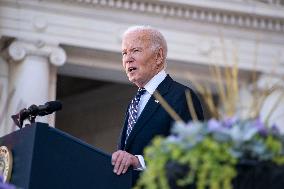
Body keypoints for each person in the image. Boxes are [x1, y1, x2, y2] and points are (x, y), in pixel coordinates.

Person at [111, 25, 204, 186]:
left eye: (135, 51)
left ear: (159, 56)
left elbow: (189, 156)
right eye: (124, 53)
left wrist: (139, 161)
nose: (127, 58)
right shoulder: (135, 102)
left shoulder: (181, 96)